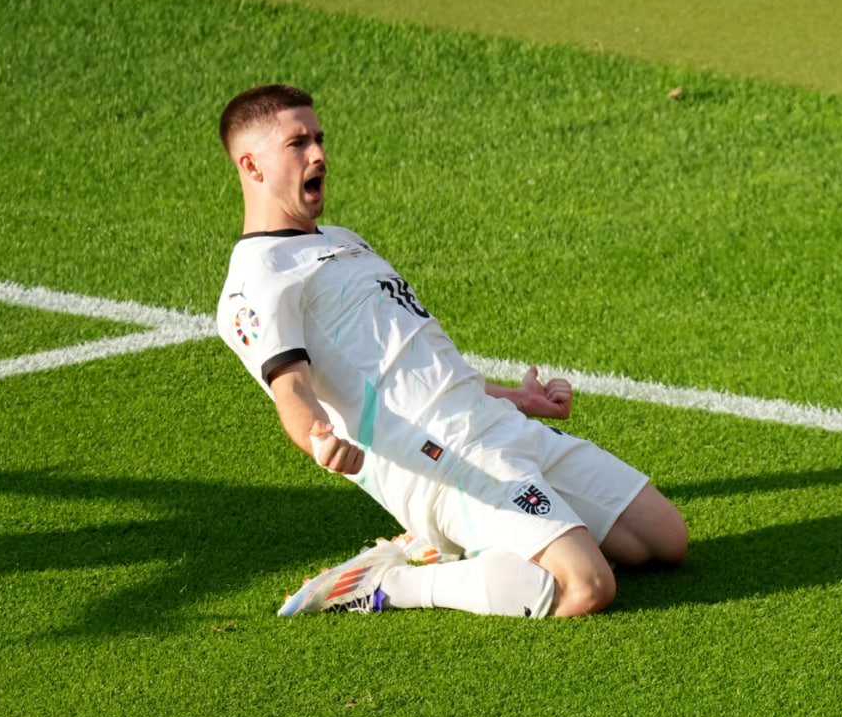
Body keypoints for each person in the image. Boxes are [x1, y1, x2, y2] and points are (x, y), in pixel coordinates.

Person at [216, 84, 687, 618]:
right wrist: (318, 439)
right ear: (252, 167)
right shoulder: (257, 277)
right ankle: (386, 584)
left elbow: (417, 363)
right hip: (438, 459)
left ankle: (472, 543)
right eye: (298, 143)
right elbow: (292, 388)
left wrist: (518, 398)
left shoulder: (344, 239)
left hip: (494, 425)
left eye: (319, 138)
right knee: (586, 587)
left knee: (665, 541)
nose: (320, 154)